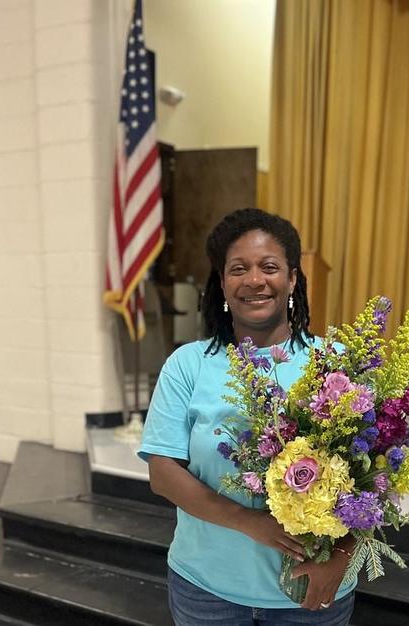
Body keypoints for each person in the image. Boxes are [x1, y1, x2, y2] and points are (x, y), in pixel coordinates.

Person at [138, 208, 356, 625]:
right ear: (222, 283)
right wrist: (248, 522)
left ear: (293, 278)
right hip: (206, 591)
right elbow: (162, 472)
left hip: (308, 593)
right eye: (238, 268)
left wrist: (341, 557)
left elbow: (379, 480)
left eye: (269, 267)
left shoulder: (336, 363)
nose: (254, 280)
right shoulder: (189, 364)